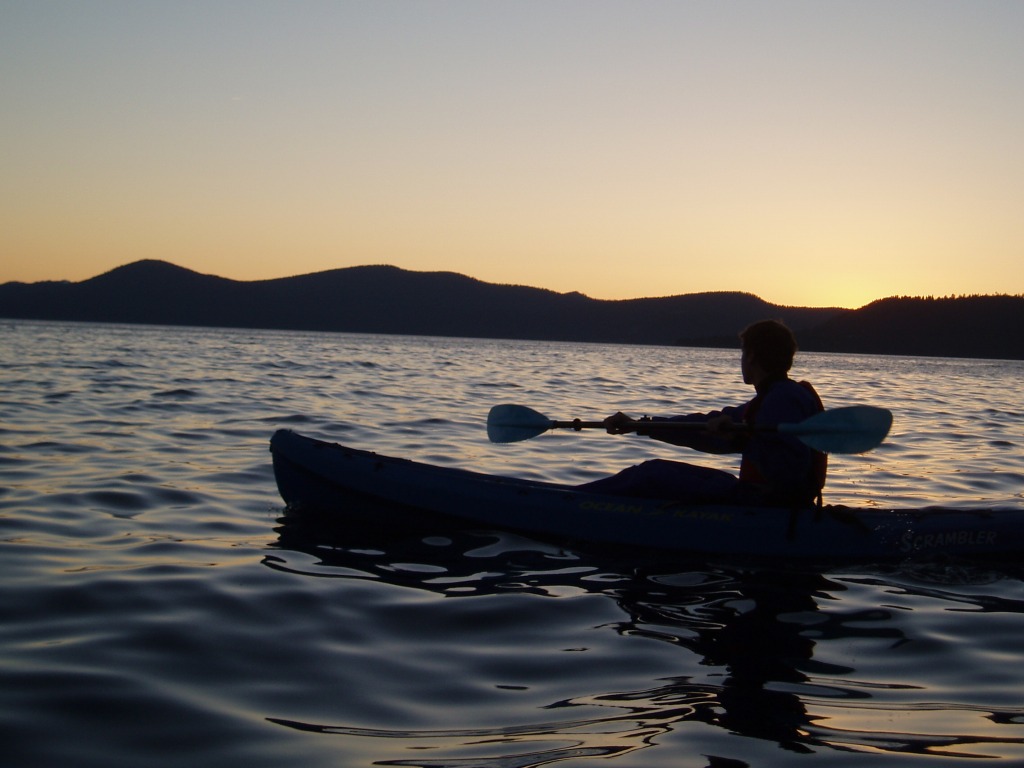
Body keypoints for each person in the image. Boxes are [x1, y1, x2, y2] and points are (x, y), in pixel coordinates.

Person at [577, 319, 826, 507]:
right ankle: (571, 498)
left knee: (649, 475)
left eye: (742, 353)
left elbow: (790, 473)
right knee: (652, 471)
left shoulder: (782, 400)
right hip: (761, 498)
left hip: (767, 506)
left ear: (750, 356)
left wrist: (739, 441)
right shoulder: (776, 397)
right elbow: (702, 428)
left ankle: (569, 502)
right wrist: (640, 425)